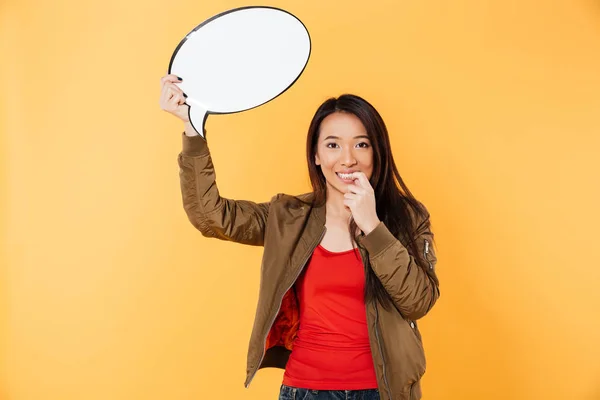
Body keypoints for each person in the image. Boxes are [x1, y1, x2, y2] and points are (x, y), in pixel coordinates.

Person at [159, 74, 440, 400]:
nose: (348, 158)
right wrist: (192, 129)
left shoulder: (407, 217)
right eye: (333, 145)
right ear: (316, 156)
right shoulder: (288, 216)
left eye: (361, 144)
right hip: (304, 390)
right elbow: (211, 217)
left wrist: (373, 226)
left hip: (382, 391)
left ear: (377, 152)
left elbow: (418, 302)